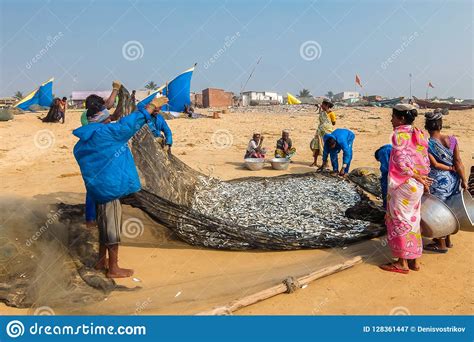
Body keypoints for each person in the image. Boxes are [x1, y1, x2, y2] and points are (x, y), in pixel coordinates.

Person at [73, 81, 172, 278]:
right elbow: (129, 124)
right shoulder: (108, 133)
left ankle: (101, 262)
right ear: (102, 116)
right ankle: (114, 268)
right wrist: (150, 107)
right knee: (112, 229)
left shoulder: (82, 141)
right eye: (107, 116)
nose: (110, 119)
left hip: (97, 190)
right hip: (110, 190)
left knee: (103, 226)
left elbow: (121, 124)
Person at [380, 104, 431, 274]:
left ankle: (402, 262)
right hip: (417, 185)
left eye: (393, 116)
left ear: (401, 118)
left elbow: (401, 163)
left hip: (404, 184)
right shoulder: (420, 133)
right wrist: (421, 177)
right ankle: (414, 261)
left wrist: (414, 175)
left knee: (400, 220)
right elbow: (424, 159)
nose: (391, 120)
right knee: (413, 220)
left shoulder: (398, 135)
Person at [423, 108, 467, 253]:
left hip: (437, 181)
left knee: (438, 212)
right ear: (440, 125)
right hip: (453, 180)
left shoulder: (426, 144)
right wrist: (463, 180)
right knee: (450, 209)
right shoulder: (452, 140)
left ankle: (440, 244)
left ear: (427, 127)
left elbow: (432, 164)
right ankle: (447, 240)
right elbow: (458, 161)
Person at [80, 82, 122, 228]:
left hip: (98, 153)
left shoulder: (92, 115)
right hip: (95, 153)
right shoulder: (88, 116)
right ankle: (90, 220)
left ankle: (96, 217)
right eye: (101, 105)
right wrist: (116, 89)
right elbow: (109, 107)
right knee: (92, 187)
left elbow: (111, 115)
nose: (104, 107)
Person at [310, 99, 336, 167]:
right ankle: (314, 162)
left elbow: (333, 123)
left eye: (323, 104)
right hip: (319, 132)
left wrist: (326, 124)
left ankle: (325, 162)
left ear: (327, 105)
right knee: (316, 146)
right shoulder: (322, 112)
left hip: (327, 132)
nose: (322, 105)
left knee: (325, 147)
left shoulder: (331, 113)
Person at [374, 144, 392, 209]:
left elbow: (385, 167)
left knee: (385, 188)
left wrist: (383, 176)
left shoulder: (383, 152)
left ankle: (386, 207)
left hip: (392, 173)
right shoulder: (390, 147)